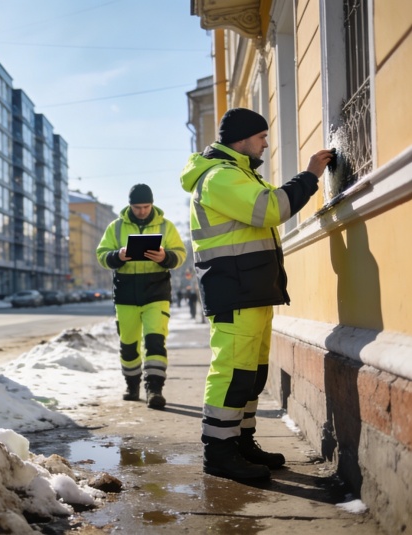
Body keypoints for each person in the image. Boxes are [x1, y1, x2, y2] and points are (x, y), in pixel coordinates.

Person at [179, 107, 333, 480]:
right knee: (232, 374)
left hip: (249, 288)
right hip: (234, 289)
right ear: (242, 140)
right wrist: (311, 175)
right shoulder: (220, 177)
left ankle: (242, 443)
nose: (266, 144)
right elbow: (271, 210)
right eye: (262, 137)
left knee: (251, 374)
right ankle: (219, 453)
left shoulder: (240, 175)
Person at [97, 184, 186, 410]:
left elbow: (180, 255)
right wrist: (118, 255)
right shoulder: (115, 227)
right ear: (130, 206)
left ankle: (154, 389)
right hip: (126, 294)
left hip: (157, 293)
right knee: (128, 344)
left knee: (155, 340)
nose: (142, 211)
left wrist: (165, 256)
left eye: (146, 206)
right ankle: (132, 385)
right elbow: (101, 255)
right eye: (137, 207)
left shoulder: (166, 226)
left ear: (152, 204)